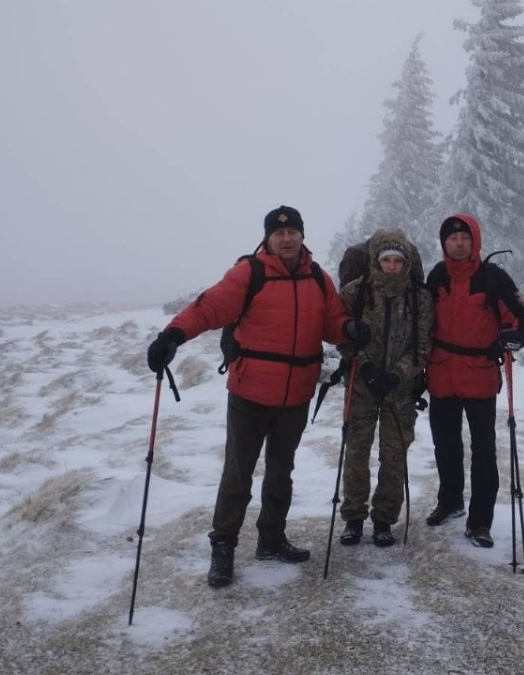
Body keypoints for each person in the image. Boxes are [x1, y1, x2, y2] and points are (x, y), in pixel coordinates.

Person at [146, 205, 370, 587]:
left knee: (282, 473)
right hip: (250, 392)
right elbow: (210, 306)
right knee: (238, 474)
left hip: (296, 393)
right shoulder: (250, 273)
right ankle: (223, 545)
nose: (286, 238)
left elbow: (329, 321)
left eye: (293, 232)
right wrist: (173, 335)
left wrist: (347, 328)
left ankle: (271, 538)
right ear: (268, 237)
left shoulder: (318, 277)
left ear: (302, 235)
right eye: (278, 233)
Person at [424, 215, 524, 548]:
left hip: (480, 375)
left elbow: (523, 324)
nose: (458, 243)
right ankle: (450, 500)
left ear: (475, 241)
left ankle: (480, 520)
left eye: (464, 238)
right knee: (445, 445)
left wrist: (507, 341)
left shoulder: (493, 278)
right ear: (443, 243)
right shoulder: (437, 276)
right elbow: (423, 322)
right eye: (452, 238)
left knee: (483, 451)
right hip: (442, 373)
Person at [336, 229, 433, 547]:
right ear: (375, 261)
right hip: (360, 386)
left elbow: (422, 346)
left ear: (406, 263)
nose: (391, 266)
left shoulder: (420, 297)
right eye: (386, 260)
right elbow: (341, 335)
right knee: (357, 453)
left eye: (397, 261)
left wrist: (397, 375)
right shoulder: (355, 292)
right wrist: (363, 366)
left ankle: (383, 520)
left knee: (394, 456)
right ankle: (353, 517)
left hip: (400, 390)